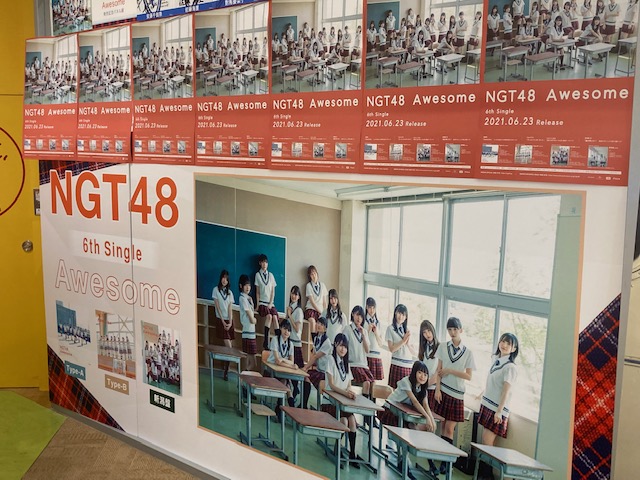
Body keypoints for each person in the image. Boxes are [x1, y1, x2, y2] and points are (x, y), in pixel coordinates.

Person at [433, 317, 476, 474]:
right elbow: (438, 370)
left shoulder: (468, 352)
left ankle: (446, 462)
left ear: (461, 330)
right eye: (450, 329)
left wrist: (450, 371)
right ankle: (443, 458)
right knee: (443, 427)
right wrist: (437, 389)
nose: (452, 332)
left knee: (450, 429)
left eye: (455, 329)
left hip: (457, 395)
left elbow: (469, 376)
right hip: (443, 391)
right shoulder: (443, 347)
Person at [475, 334, 519, 479]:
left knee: (487, 442)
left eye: (508, 343)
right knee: (485, 442)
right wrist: (482, 393)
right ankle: (484, 474)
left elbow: (506, 391)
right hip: (488, 405)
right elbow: (494, 383)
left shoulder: (510, 367)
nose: (504, 345)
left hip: (496, 409)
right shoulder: (497, 361)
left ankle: (488, 475)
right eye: (503, 341)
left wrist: (499, 411)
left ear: (514, 349)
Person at [322, 333, 360, 468]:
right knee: (343, 421)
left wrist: (350, 391)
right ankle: (337, 451)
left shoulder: (346, 363)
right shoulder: (330, 360)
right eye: (340, 346)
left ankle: (353, 454)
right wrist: (345, 393)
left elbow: (348, 384)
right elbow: (331, 385)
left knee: (352, 422)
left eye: (345, 347)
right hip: (330, 402)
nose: (343, 349)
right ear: (335, 345)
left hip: (342, 402)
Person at [267, 319, 298, 409]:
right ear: (280, 328)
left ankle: (281, 407)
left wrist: (284, 360)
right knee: (286, 383)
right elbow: (277, 361)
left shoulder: (290, 344)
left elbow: (291, 361)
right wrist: (291, 366)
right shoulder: (275, 340)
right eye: (285, 328)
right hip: (271, 371)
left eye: (289, 330)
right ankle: (289, 408)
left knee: (285, 382)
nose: (286, 332)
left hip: (283, 371)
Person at [346, 305, 376, 397]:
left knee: (372, 384)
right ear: (352, 314)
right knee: (366, 383)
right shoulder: (347, 329)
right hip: (352, 365)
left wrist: (363, 335)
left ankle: (366, 404)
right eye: (357, 315)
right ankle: (361, 403)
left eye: (361, 316)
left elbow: (367, 350)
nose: (359, 318)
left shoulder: (365, 331)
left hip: (363, 365)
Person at [302, 316, 331, 409]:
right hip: (319, 369)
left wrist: (305, 367)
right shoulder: (316, 338)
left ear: (325, 328)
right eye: (318, 323)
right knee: (306, 377)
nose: (318, 325)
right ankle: (304, 404)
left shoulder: (327, 342)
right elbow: (313, 354)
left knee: (307, 375)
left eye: (321, 324)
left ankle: (311, 406)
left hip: (325, 373)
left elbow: (315, 356)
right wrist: (307, 367)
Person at [385, 304, 416, 388]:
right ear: (395, 313)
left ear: (406, 317)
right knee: (395, 391)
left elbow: (414, 352)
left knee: (407, 391)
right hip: (397, 364)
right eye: (399, 313)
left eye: (403, 314)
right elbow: (391, 349)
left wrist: (407, 344)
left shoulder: (408, 330)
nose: (401, 316)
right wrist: (403, 341)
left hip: (408, 365)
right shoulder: (390, 328)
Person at [212, 269, 235, 380]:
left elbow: (230, 308)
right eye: (223, 278)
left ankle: (227, 369)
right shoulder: (215, 290)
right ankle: (226, 371)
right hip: (220, 320)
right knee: (229, 348)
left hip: (229, 321)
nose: (224, 280)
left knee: (229, 349)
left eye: (226, 278)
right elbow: (217, 308)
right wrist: (223, 321)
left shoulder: (230, 293)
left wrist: (230, 322)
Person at [255, 253, 278, 350]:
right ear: (260, 263)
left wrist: (270, 303)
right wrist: (257, 305)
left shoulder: (271, 275)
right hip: (262, 303)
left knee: (275, 318)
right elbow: (257, 292)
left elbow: (273, 291)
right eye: (263, 262)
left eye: (266, 262)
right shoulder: (257, 275)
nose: (264, 264)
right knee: (269, 316)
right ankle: (266, 342)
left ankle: (279, 341)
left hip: (270, 303)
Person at [418, 320, 440, 408]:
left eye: (429, 331)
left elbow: (438, 373)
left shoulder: (440, 347)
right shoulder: (424, 347)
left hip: (432, 388)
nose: (427, 334)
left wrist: (424, 385)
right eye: (424, 332)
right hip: (422, 386)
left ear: (433, 330)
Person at [238, 274, 257, 371]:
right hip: (248, 332)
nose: (248, 287)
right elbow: (251, 318)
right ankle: (242, 377)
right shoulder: (242, 298)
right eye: (245, 285)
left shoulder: (248, 299)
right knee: (251, 363)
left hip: (251, 332)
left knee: (251, 362)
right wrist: (254, 320)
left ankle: (243, 377)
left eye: (249, 285)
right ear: (241, 286)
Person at [305, 265, 328, 340]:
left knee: (322, 324)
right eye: (311, 274)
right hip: (311, 309)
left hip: (321, 311)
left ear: (317, 274)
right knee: (313, 322)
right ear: (309, 276)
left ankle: (320, 341)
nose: (314, 275)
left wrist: (324, 312)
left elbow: (324, 302)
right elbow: (312, 302)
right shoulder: (308, 286)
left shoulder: (322, 285)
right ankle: (314, 341)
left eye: (314, 273)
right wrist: (320, 311)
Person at [365, 297, 385, 381]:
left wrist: (376, 332)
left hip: (376, 356)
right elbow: (359, 340)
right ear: (366, 307)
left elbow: (381, 344)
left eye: (373, 308)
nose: (372, 310)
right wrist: (368, 330)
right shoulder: (363, 321)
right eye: (370, 307)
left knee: (374, 383)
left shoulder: (379, 323)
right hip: (366, 355)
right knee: (365, 382)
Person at [286, 286, 305, 368]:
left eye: (296, 294)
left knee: (297, 369)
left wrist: (290, 315)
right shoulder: (290, 308)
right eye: (292, 293)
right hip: (289, 342)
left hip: (295, 344)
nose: (293, 296)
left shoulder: (299, 311)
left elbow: (297, 329)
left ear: (299, 297)